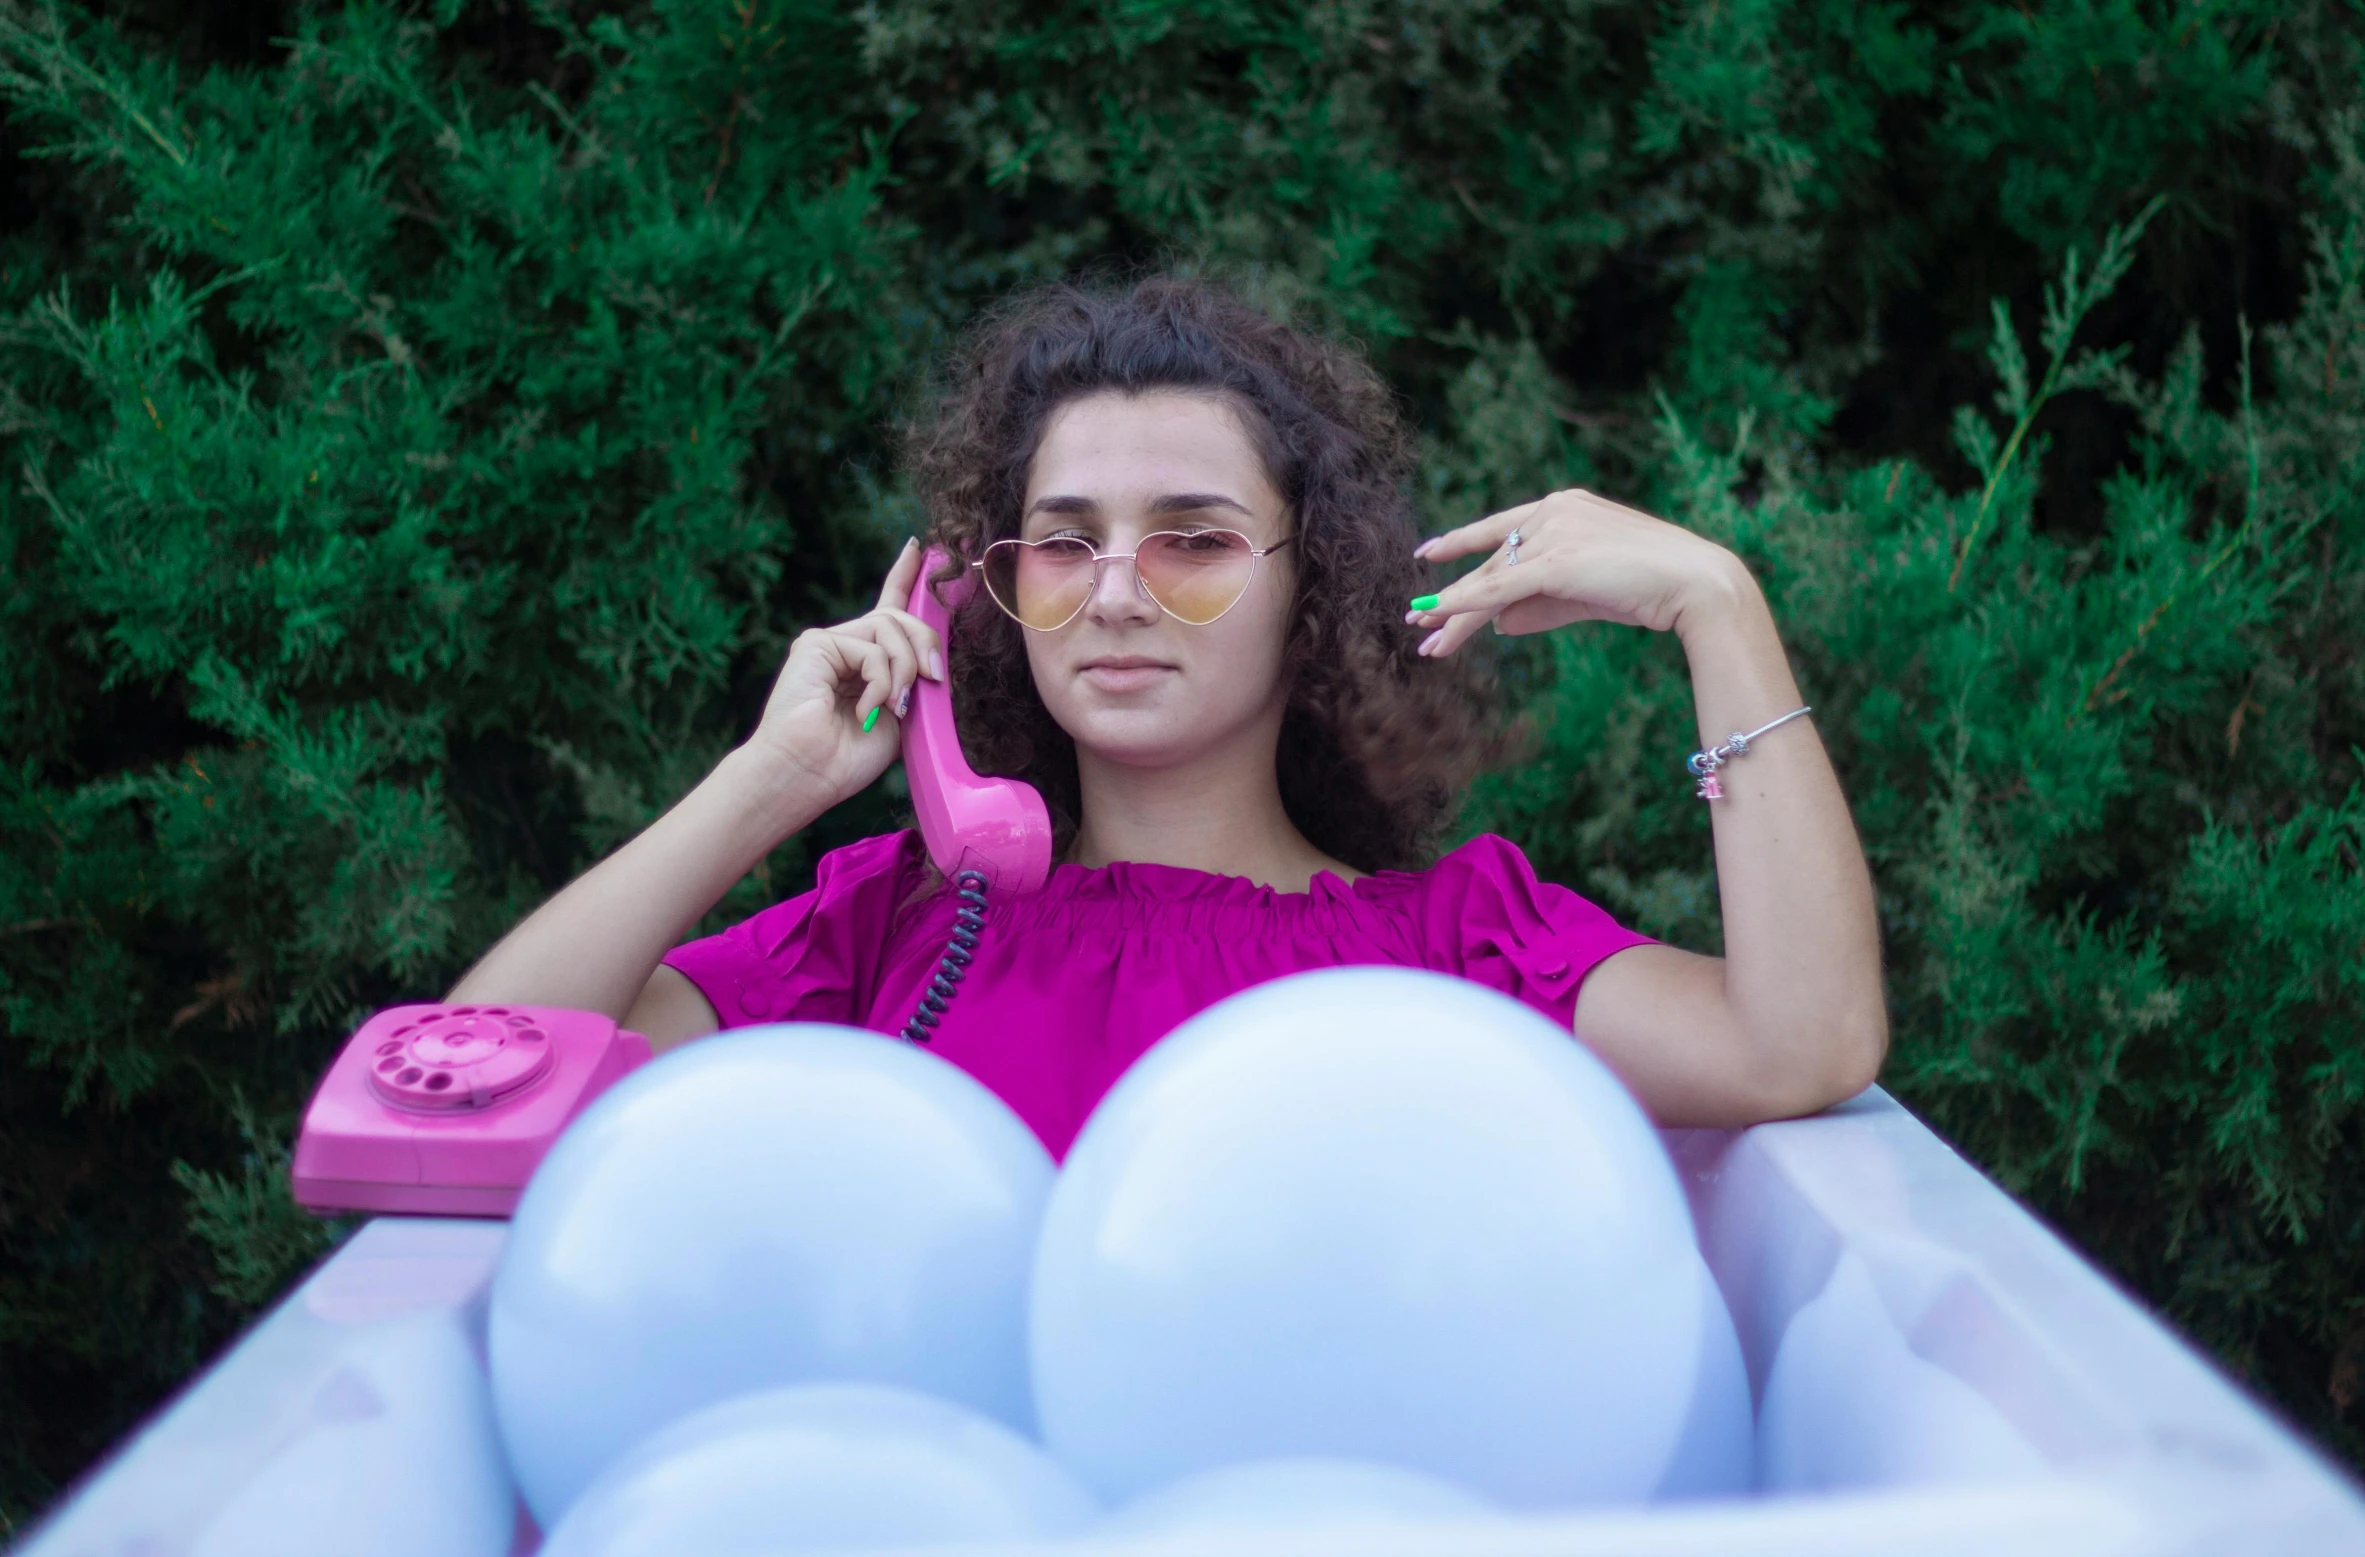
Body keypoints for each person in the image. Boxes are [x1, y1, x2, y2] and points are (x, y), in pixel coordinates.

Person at [446, 277, 1886, 1159]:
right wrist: (768, 783)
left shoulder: (1452, 942)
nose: (1117, 592)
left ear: (1307, 584)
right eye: (1065, 542)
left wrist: (1717, 602)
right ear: (988, 590)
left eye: (1192, 540)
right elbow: (475, 1068)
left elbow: (1803, 1046)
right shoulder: (896, 924)